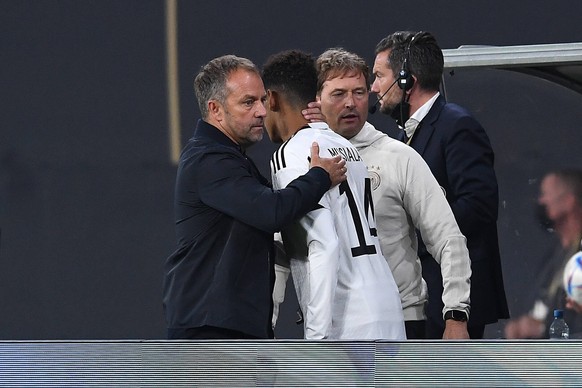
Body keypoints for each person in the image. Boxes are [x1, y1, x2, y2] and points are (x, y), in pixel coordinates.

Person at [162, 54, 347, 340]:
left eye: (262, 99)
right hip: (211, 331)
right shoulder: (209, 160)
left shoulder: (228, 158)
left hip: (229, 325)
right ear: (216, 109)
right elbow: (271, 212)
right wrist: (319, 176)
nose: (262, 110)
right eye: (248, 102)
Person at [315, 47, 471, 339]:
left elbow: (448, 238)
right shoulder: (304, 160)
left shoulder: (399, 157)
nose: (351, 103)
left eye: (359, 92)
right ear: (317, 100)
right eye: (339, 94)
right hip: (328, 326)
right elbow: (283, 252)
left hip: (400, 320)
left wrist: (456, 314)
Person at [372, 31, 510, 339]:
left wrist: (418, 229)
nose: (374, 88)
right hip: (426, 295)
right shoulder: (405, 136)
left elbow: (479, 205)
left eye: (379, 76)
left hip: (452, 298)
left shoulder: (457, 125)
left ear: (407, 79)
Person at [263, 49, 406, 340]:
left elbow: (324, 244)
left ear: (273, 99)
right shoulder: (345, 145)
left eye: (261, 101)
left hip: (345, 318)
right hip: (388, 308)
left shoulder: (291, 153)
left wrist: (316, 336)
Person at [505, 168, 582, 338]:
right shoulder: (554, 256)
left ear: (569, 202)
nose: (541, 201)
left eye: (546, 194)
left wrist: (543, 329)